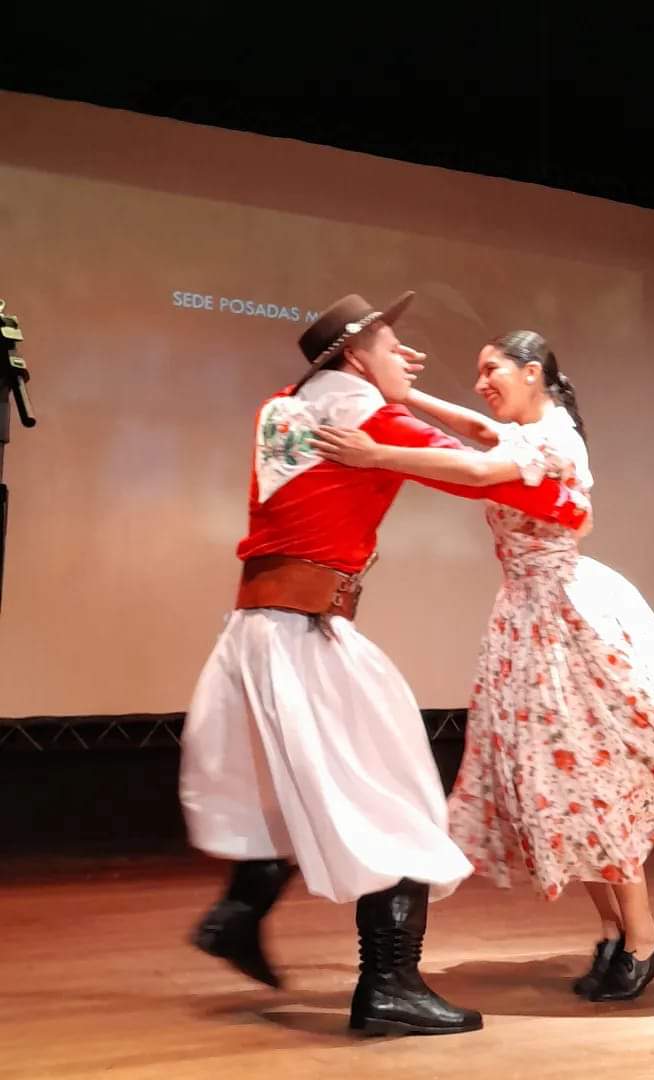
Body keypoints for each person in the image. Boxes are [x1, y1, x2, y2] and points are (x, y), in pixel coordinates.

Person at [312, 329, 654, 1004]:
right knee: (559, 782)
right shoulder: (526, 430)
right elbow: (474, 429)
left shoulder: (555, 438)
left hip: (565, 620)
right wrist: (411, 399)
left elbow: (473, 470)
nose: (482, 383)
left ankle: (642, 938)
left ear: (532, 372)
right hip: (528, 619)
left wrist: (378, 450)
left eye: (491, 370)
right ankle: (618, 933)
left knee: (588, 775)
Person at [180, 297, 590, 1037]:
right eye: (395, 346)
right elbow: (489, 476)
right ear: (353, 356)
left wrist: (421, 411)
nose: (411, 359)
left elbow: (436, 434)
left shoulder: (282, 405)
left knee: (285, 788)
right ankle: (388, 983)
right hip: (303, 632)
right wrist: (562, 487)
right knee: (396, 798)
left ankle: (240, 910)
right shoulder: (364, 420)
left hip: (256, 627)